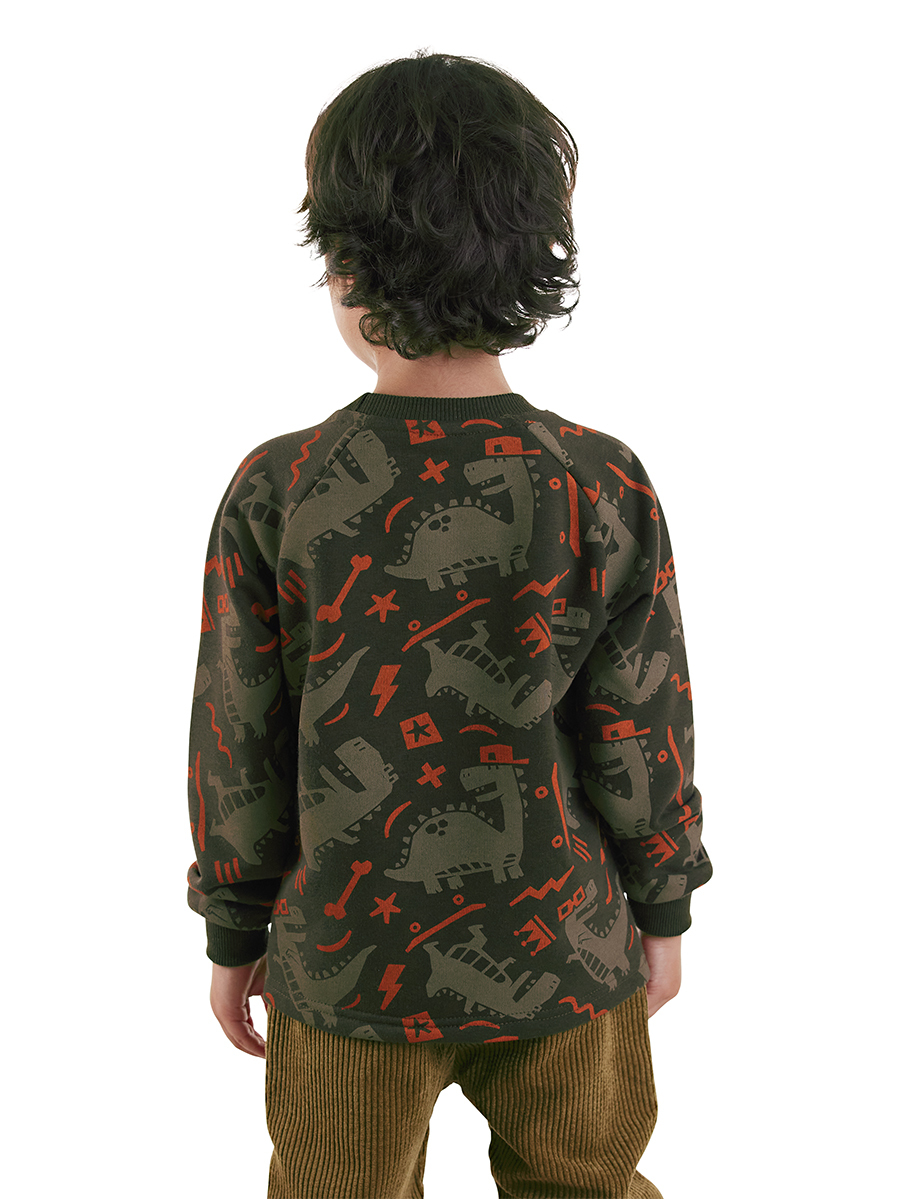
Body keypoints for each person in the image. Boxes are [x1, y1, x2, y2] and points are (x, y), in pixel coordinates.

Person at [186, 50, 712, 1199]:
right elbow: (642, 722)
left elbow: (240, 736)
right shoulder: (597, 479)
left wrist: (234, 928)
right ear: (537, 256)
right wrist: (663, 903)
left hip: (348, 964)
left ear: (342, 264)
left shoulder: (284, 488)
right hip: (564, 948)